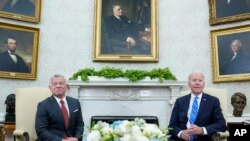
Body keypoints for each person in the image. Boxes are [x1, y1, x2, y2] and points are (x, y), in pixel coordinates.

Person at [168, 71, 226, 141]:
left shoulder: (213, 101)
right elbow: (171, 126)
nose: (197, 83)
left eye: (200, 80)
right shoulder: (179, 101)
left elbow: (221, 124)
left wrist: (202, 130)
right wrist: (180, 133)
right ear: (189, 84)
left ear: (204, 84)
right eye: (194, 80)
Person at [35, 74, 84, 141]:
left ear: (66, 86)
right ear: (50, 88)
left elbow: (80, 124)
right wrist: (62, 140)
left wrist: (77, 138)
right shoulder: (43, 105)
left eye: (61, 83)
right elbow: (41, 131)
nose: (58, 86)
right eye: (55, 84)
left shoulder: (75, 102)